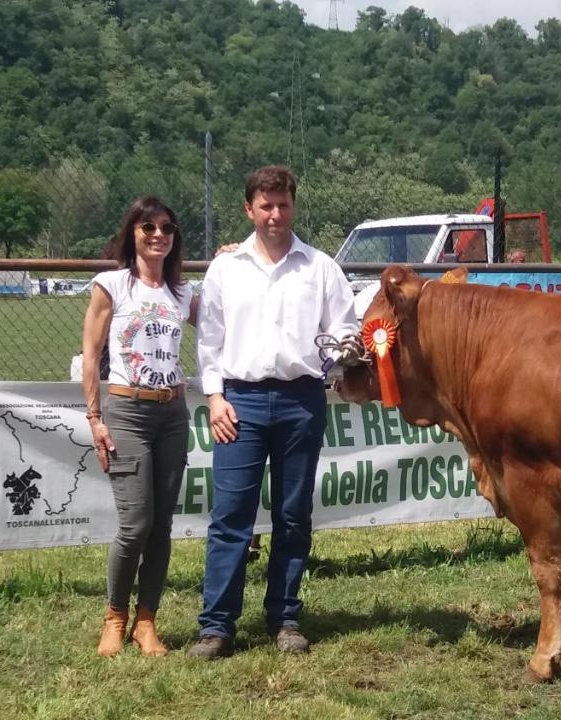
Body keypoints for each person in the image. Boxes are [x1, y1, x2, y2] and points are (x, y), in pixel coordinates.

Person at [190, 165, 358, 659]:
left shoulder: (321, 267)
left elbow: (344, 328)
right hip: (238, 403)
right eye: (265, 206)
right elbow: (209, 340)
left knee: (292, 515)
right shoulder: (225, 268)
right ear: (249, 209)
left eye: (282, 204)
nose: (275, 215)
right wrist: (215, 397)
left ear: (293, 206)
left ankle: (285, 619)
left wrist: (347, 351)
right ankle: (216, 626)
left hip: (300, 400)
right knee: (230, 517)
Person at [81, 196, 197, 658]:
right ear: (132, 233)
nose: (157, 235)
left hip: (172, 413)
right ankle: (115, 616)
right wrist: (95, 418)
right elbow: (91, 355)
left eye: (166, 228)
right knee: (136, 525)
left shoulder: (182, 293)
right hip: (127, 411)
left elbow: (228, 311)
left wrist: (235, 256)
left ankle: (147, 621)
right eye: (147, 227)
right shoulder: (111, 285)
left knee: (162, 526)